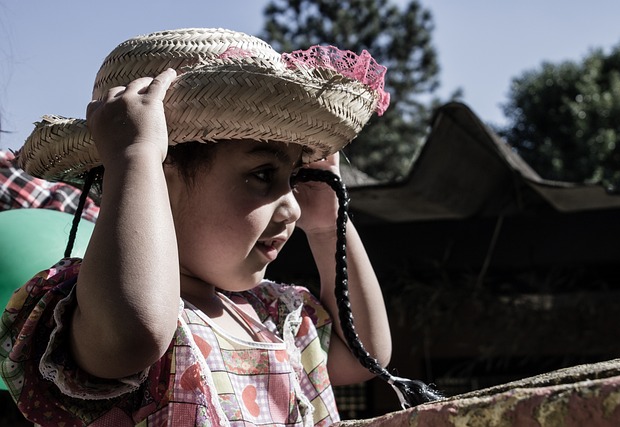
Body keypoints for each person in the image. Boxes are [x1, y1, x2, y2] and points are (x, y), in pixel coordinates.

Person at [0, 28, 438, 426]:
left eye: (294, 178)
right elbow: (134, 333)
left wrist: (329, 228)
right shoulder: (101, 304)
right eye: (263, 175)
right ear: (161, 177)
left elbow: (364, 355)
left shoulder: (273, 315)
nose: (292, 208)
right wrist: (134, 157)